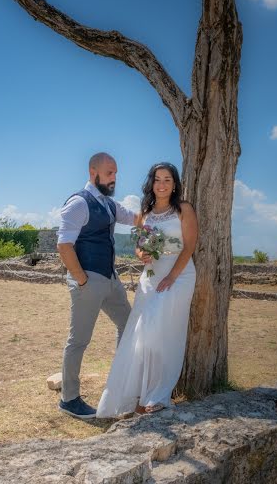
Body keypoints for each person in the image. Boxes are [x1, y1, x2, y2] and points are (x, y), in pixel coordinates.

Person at [96, 162, 198, 417]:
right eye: (157, 179)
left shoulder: (184, 209)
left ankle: (158, 394)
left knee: (163, 334)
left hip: (179, 276)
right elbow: (140, 246)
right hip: (151, 276)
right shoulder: (145, 212)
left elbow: (189, 246)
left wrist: (172, 277)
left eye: (167, 179)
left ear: (174, 184)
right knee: (141, 335)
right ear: (151, 183)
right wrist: (142, 253)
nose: (162, 184)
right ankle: (135, 396)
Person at [57, 152, 141, 420]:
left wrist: (166, 210)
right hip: (89, 281)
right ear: (93, 172)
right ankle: (69, 399)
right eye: (109, 173)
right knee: (79, 340)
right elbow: (64, 245)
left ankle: (119, 385)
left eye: (116, 172)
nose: (114, 178)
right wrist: (82, 280)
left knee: (128, 326)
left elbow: (135, 218)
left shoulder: (109, 204)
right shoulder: (78, 203)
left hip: (111, 279)